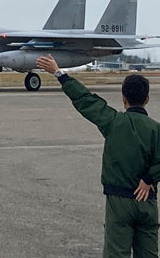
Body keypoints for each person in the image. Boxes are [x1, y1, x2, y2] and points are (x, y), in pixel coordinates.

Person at [37, 54, 160, 258]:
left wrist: (59, 73)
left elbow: (85, 100)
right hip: (147, 200)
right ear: (147, 99)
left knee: (116, 253)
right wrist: (149, 178)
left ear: (123, 98)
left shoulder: (112, 122)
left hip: (119, 199)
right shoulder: (155, 129)